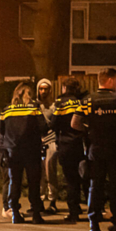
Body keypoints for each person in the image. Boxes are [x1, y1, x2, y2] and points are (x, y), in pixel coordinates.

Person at [72, 68, 116, 231]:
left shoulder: (88, 100)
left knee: (96, 186)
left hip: (96, 149)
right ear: (109, 80)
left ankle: (94, 226)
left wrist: (88, 131)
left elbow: (74, 123)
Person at [0, 82, 48, 224]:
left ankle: (15, 213)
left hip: (13, 152)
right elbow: (44, 127)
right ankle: (36, 214)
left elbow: (1, 131)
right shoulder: (34, 109)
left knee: (15, 182)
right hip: (32, 151)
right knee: (34, 183)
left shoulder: (6, 111)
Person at [51, 77, 87, 223]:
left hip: (66, 144)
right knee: (84, 178)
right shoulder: (81, 102)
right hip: (81, 145)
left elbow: (53, 124)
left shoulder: (60, 103)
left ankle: (73, 211)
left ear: (64, 88)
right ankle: (93, 209)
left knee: (71, 179)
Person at [36, 78, 59, 214]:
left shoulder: (54, 106)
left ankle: (52, 200)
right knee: (39, 173)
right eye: (41, 89)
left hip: (51, 141)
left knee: (50, 171)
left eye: (45, 89)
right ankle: (39, 200)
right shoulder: (35, 105)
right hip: (38, 141)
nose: (43, 91)